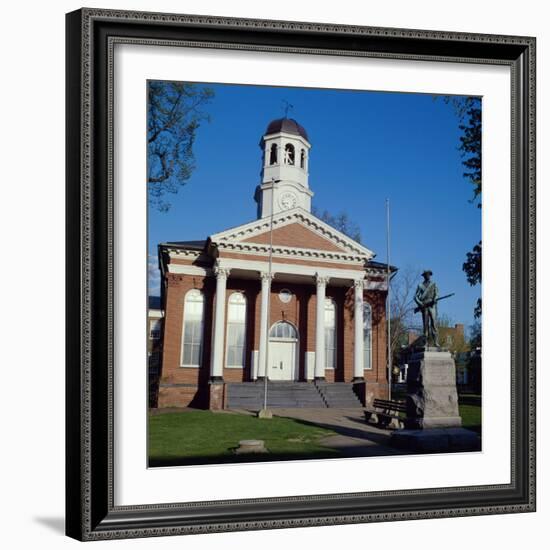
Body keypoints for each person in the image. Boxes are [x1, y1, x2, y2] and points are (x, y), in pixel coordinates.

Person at [414, 270, 440, 347]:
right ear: (424, 276)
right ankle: (425, 342)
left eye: (429, 275)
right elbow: (415, 297)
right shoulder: (420, 285)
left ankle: (436, 341)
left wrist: (435, 298)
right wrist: (420, 304)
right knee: (425, 325)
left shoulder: (434, 284)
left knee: (434, 324)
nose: (428, 276)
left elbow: (437, 294)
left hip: (432, 306)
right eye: (426, 275)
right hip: (424, 306)